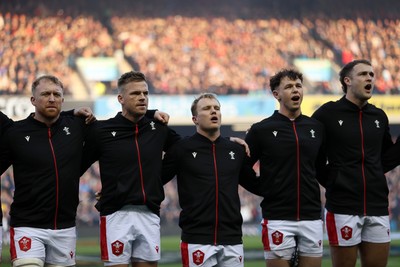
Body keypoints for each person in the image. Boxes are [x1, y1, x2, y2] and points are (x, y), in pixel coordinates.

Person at [81, 71, 181, 267]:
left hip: (149, 214)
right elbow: (76, 166)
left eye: (145, 93)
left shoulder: (158, 129)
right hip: (115, 215)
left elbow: (185, 149)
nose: (142, 97)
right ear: (120, 98)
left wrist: (156, 179)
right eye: (135, 93)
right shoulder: (102, 131)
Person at [0, 75, 98, 267]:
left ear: (63, 99)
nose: (51, 98)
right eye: (45, 94)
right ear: (33, 100)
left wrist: (150, 114)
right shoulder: (16, 133)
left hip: (65, 227)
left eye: (56, 94)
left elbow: (118, 132)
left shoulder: (78, 126)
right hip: (27, 226)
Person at [161, 93, 260, 267]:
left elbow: (257, 184)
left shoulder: (235, 150)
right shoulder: (182, 149)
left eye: (217, 108)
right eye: (206, 108)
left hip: (232, 239)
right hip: (197, 238)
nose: (213, 111)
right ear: (195, 119)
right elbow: (156, 179)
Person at [311, 59, 394, 267]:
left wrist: (373, 175)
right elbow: (313, 156)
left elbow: (385, 159)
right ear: (347, 80)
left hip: (377, 206)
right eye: (364, 74)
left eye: (372, 75)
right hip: (342, 207)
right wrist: (334, 181)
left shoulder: (379, 116)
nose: (370, 78)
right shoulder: (327, 114)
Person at [245, 69, 326, 267]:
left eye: (298, 85)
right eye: (288, 86)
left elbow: (322, 167)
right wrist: (263, 187)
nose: (295, 89)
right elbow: (242, 168)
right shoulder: (261, 130)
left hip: (311, 217)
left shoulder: (315, 128)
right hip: (277, 217)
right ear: (276, 94)